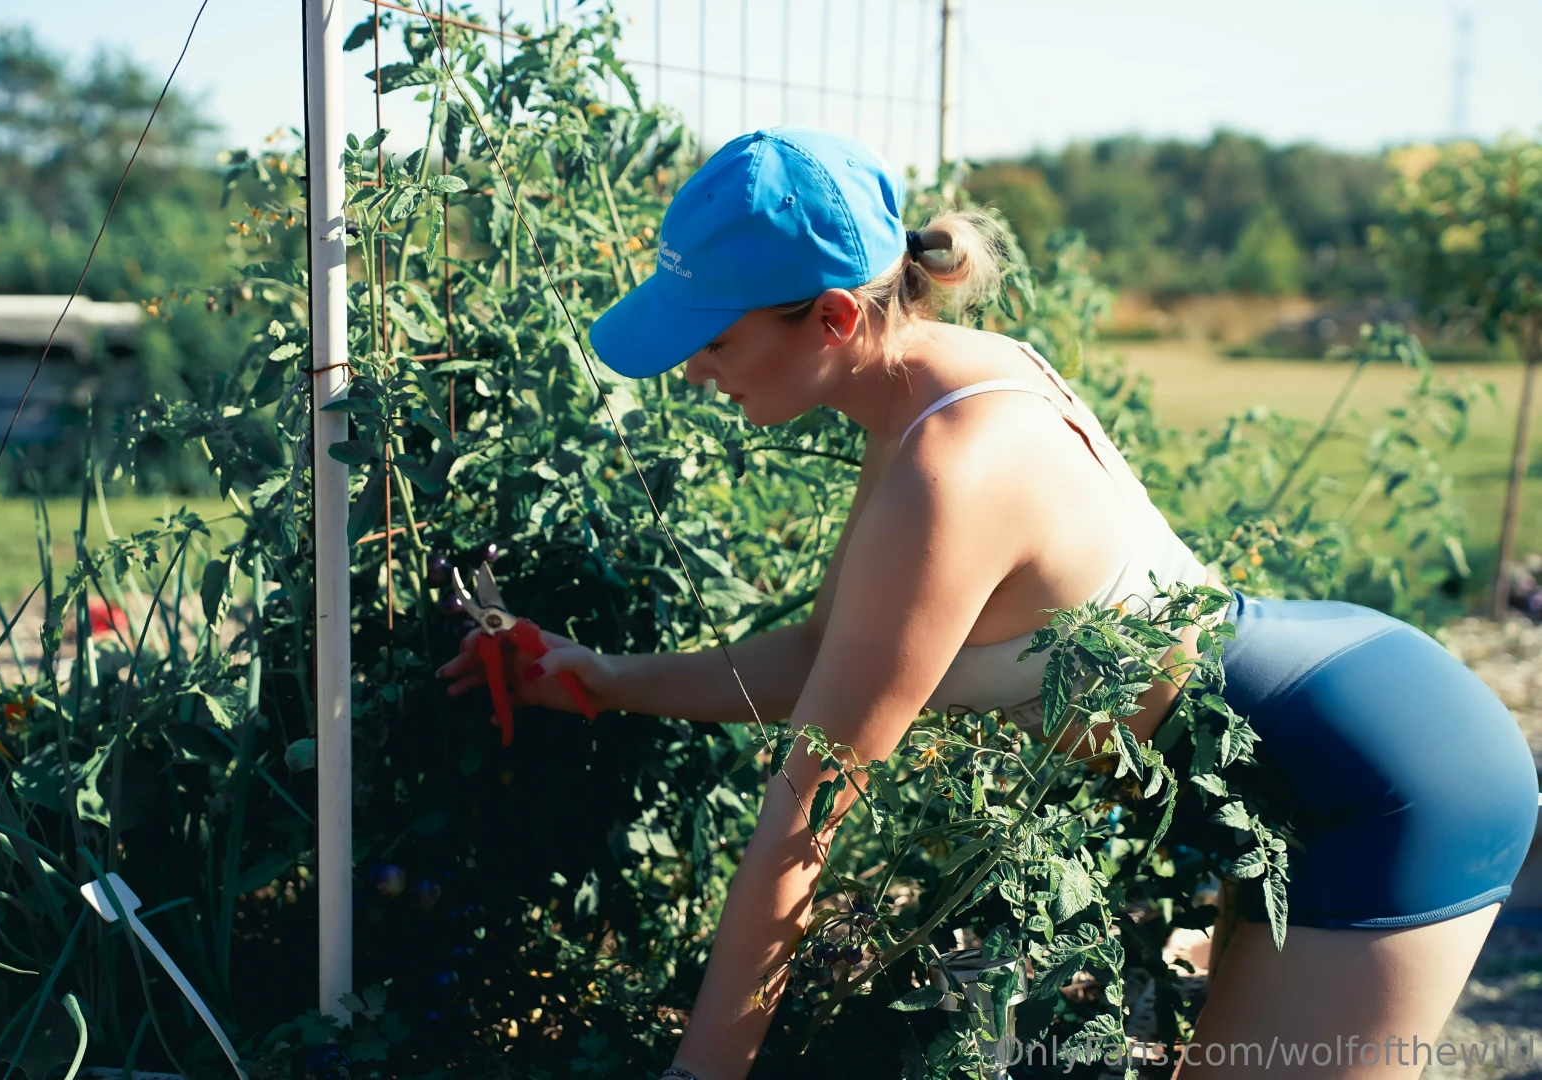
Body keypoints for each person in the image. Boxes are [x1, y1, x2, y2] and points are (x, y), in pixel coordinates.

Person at [436, 128, 1539, 1079]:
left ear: (828, 319)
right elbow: (829, 656)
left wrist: (699, 1069)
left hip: (1386, 781)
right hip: (1327, 721)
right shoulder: (927, 384)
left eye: (714, 339)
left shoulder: (948, 467)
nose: (692, 371)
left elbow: (804, 816)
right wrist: (604, 678)